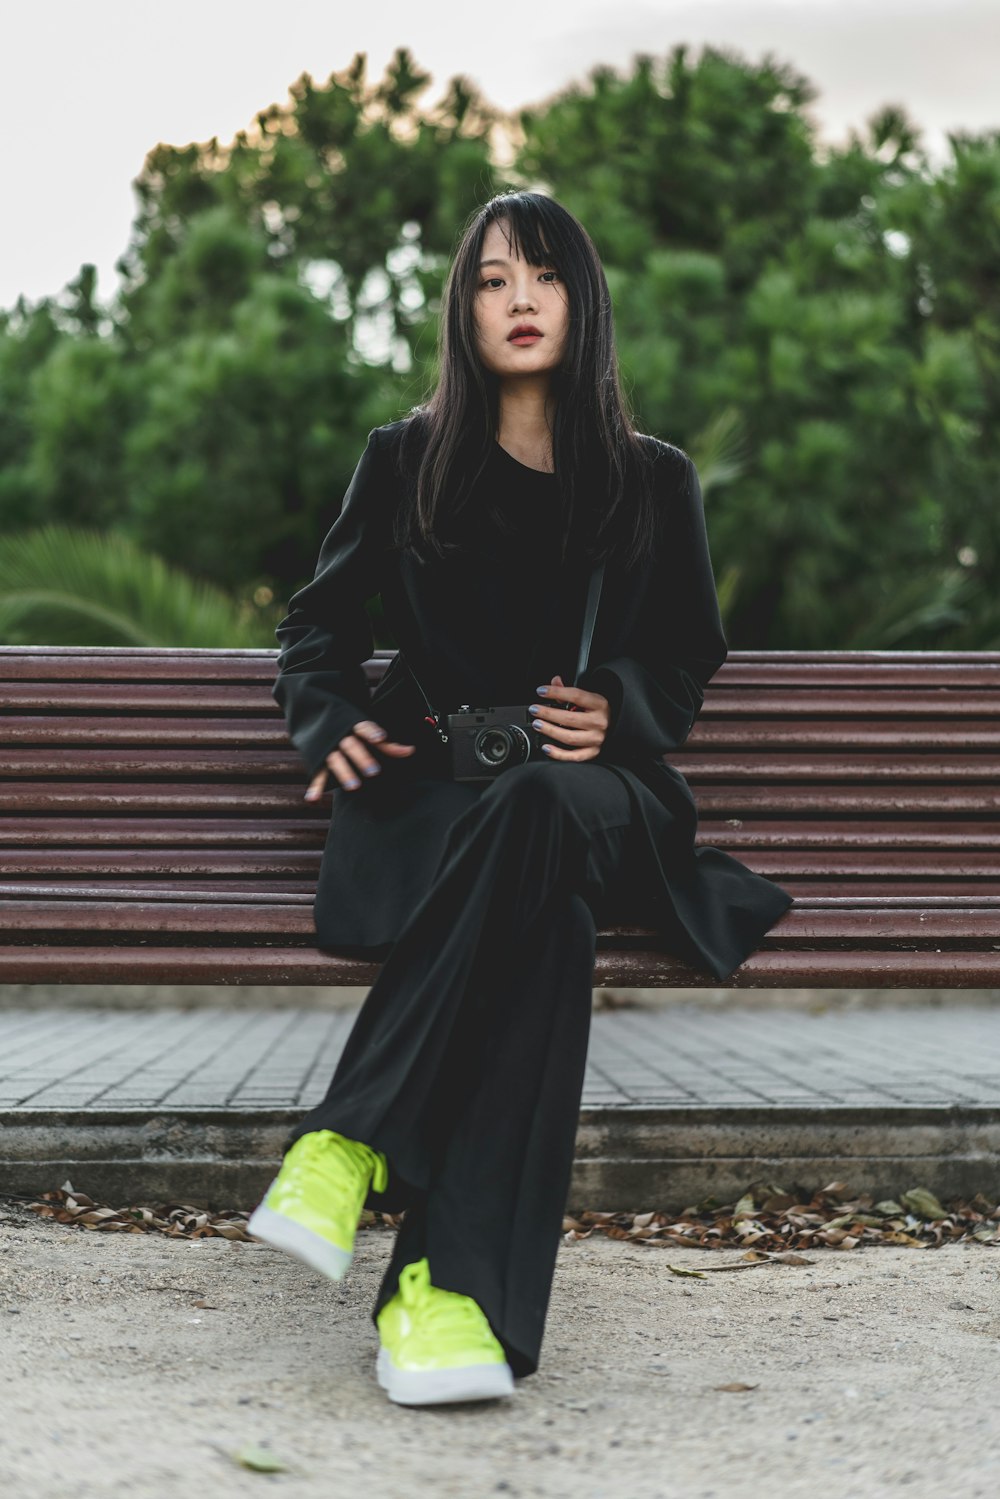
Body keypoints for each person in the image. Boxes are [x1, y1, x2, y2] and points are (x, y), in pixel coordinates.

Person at [248, 190, 794, 1407]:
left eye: (542, 275)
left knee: (544, 809)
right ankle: (440, 1300)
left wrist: (618, 707)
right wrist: (326, 719)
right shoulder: (405, 460)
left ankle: (348, 1136)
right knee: (542, 932)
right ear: (464, 309)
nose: (520, 299)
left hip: (596, 802)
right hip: (441, 808)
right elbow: (315, 629)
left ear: (580, 299)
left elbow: (686, 650)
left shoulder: (651, 480)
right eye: (492, 280)